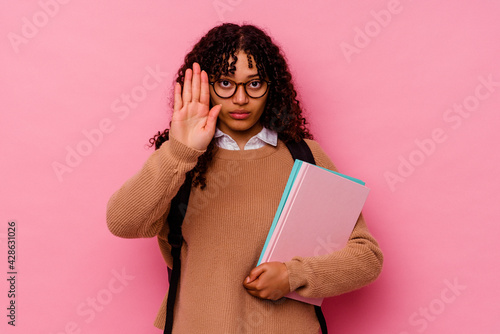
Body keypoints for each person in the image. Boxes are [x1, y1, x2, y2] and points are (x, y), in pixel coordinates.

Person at [106, 23, 383, 333]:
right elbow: (122, 223)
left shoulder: (303, 156)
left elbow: (366, 256)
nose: (239, 98)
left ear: (271, 87)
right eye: (225, 83)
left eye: (253, 84)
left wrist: (294, 275)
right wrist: (180, 151)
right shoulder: (178, 159)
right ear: (205, 86)